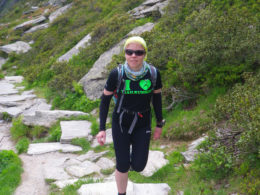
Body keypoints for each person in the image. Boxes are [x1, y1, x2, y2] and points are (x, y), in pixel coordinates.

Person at [96, 36, 164, 195]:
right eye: (130, 51)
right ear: (125, 53)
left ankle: (128, 159)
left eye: (139, 52)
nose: (134, 55)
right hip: (121, 122)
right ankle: (122, 192)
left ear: (145, 54)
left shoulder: (153, 74)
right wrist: (101, 129)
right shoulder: (117, 74)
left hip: (143, 122)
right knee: (123, 164)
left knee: (139, 166)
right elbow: (105, 101)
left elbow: (157, 99)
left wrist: (159, 124)